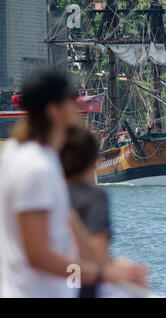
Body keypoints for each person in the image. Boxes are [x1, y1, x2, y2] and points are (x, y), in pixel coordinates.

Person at [0, 70, 147, 297]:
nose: (77, 105)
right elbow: (37, 254)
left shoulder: (18, 156)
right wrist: (103, 275)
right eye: (71, 99)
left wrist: (108, 265)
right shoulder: (36, 167)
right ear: (54, 110)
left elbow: (66, 220)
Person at [60, 128, 111, 297]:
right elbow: (98, 255)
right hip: (81, 287)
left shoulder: (47, 194)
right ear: (95, 162)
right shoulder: (95, 197)